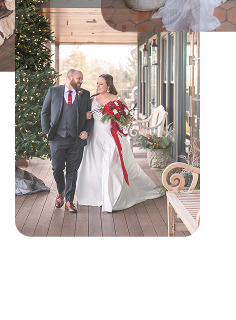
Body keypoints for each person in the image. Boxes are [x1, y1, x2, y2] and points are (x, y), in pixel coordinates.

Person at [75, 74, 165, 211]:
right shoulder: (91, 99)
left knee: (110, 166)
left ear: (108, 86)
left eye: (101, 84)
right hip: (95, 137)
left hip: (112, 137)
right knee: (97, 167)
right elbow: (84, 116)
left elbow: (127, 121)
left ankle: (112, 199)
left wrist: (115, 116)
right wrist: (86, 118)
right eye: (97, 83)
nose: (98, 86)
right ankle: (98, 196)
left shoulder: (118, 101)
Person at [40, 69, 93, 213]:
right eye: (79, 78)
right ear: (69, 77)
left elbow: (90, 116)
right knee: (57, 168)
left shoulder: (85, 94)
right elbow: (44, 112)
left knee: (72, 170)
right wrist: (46, 131)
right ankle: (61, 191)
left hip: (76, 140)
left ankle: (69, 200)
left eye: (82, 79)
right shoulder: (54, 91)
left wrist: (86, 131)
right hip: (57, 137)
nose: (81, 81)